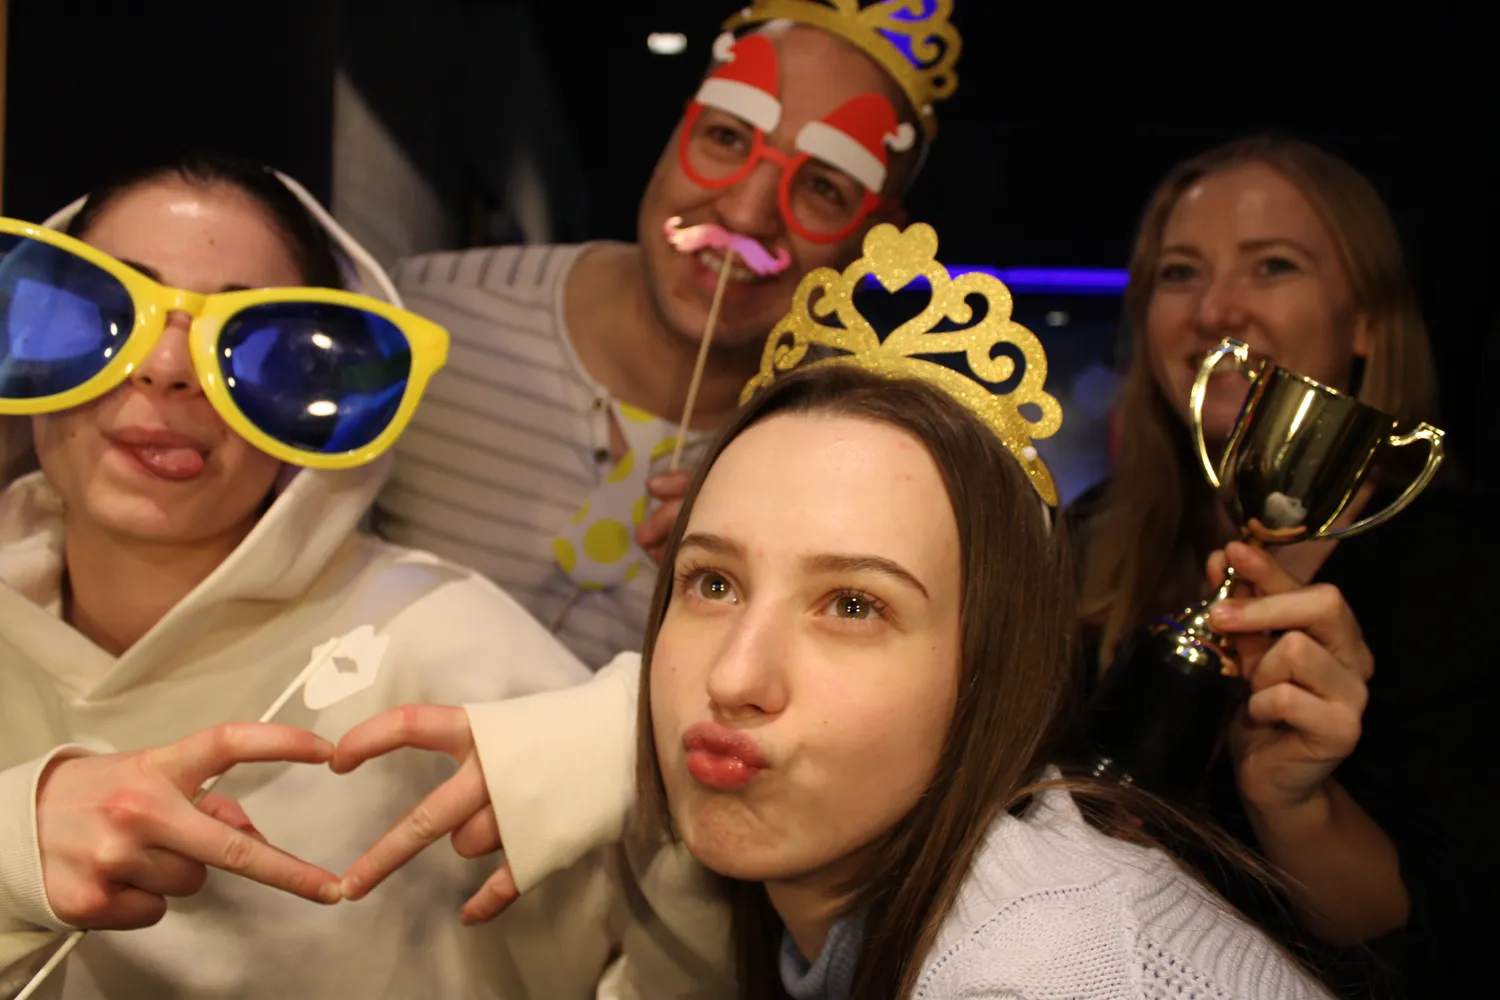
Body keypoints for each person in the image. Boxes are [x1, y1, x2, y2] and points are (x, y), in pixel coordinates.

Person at [330, 224, 1332, 997]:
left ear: (989, 670)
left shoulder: (1038, 970)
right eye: (712, 584)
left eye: (852, 604)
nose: (734, 677)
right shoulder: (839, 909)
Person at [0, 153, 692, 1000]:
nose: (167, 369)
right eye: (106, 315)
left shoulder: (443, 646)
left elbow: (701, 956)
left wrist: (650, 753)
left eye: (255, 349)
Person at [369, 0, 956, 666]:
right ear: (677, 135)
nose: (745, 213)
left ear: (871, 242)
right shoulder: (422, 316)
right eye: (728, 137)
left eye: (823, 187)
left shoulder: (854, 462)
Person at [1071, 135, 1495, 996]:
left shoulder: (1463, 572)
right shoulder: (1085, 535)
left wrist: (1296, 804)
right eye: (1180, 273)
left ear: (1366, 320)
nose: (1215, 310)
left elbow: (1430, 932)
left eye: (1272, 266)